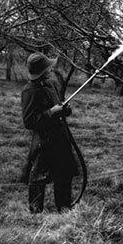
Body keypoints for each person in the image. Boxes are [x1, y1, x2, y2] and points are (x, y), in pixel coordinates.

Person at [20, 52, 78, 213]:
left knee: (64, 173)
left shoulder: (50, 84)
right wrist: (52, 112)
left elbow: (58, 104)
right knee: (38, 177)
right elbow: (29, 121)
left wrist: (64, 109)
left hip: (60, 138)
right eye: (48, 68)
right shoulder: (29, 91)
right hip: (44, 142)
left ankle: (64, 208)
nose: (51, 70)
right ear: (42, 71)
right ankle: (35, 213)